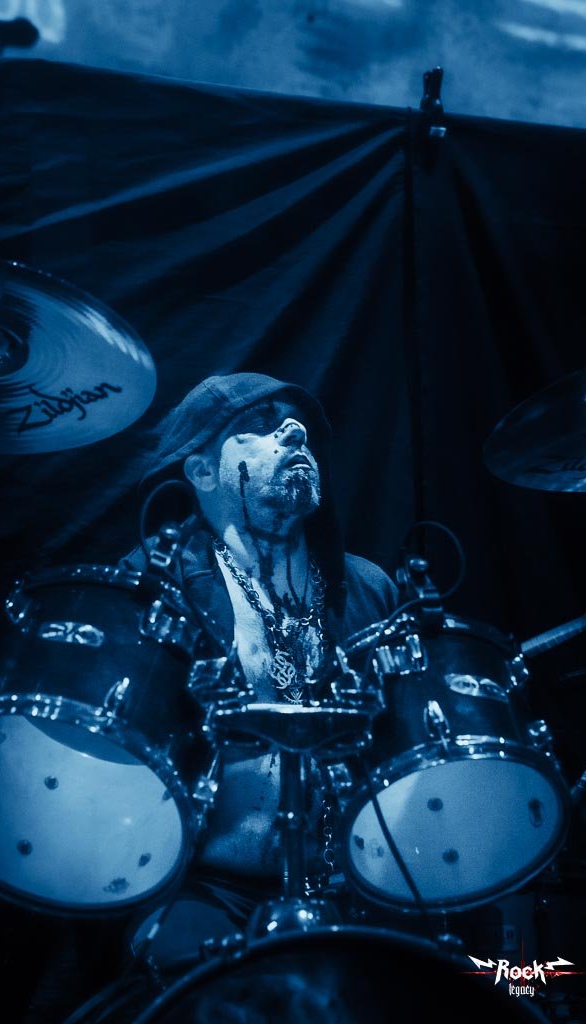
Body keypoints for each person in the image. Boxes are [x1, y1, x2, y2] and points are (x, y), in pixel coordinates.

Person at [117, 372, 398, 977]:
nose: (294, 432)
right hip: (204, 886)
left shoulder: (369, 588)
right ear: (202, 472)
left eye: (298, 425)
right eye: (258, 425)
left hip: (356, 882)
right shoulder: (160, 583)